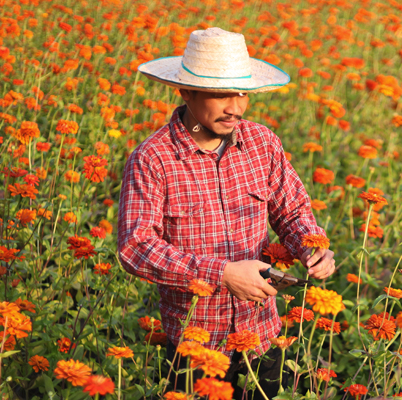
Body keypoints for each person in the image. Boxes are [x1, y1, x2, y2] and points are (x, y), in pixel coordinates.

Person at [117, 27, 336, 398]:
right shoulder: (153, 159)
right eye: (221, 95)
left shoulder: (262, 142)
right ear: (186, 92)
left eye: (243, 93)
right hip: (197, 346)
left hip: (263, 335)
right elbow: (135, 248)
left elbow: (292, 210)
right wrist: (222, 273)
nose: (235, 107)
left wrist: (311, 245)